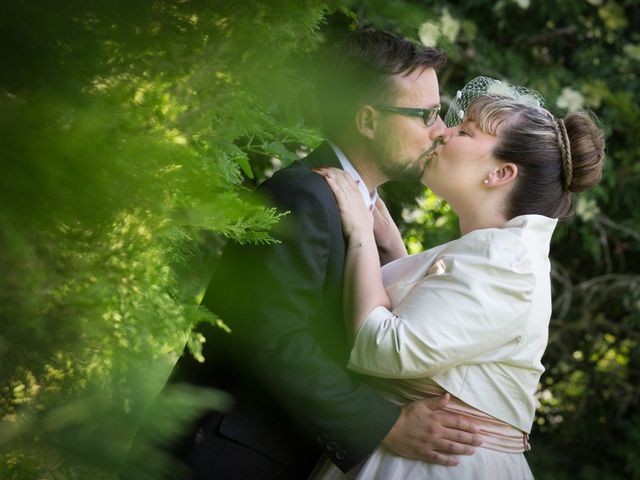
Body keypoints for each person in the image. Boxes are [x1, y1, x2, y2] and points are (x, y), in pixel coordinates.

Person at [168, 29, 483, 479]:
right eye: (425, 115)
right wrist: (384, 424)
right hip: (224, 458)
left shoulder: (364, 213)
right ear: (368, 121)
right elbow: (277, 341)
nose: (440, 132)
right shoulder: (303, 195)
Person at [312, 77, 606, 479]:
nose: (441, 132)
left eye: (464, 131)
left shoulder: (507, 259)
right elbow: (437, 329)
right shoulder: (495, 250)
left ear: (501, 173)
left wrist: (361, 233)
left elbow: (386, 346)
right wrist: (394, 249)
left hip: (441, 464)